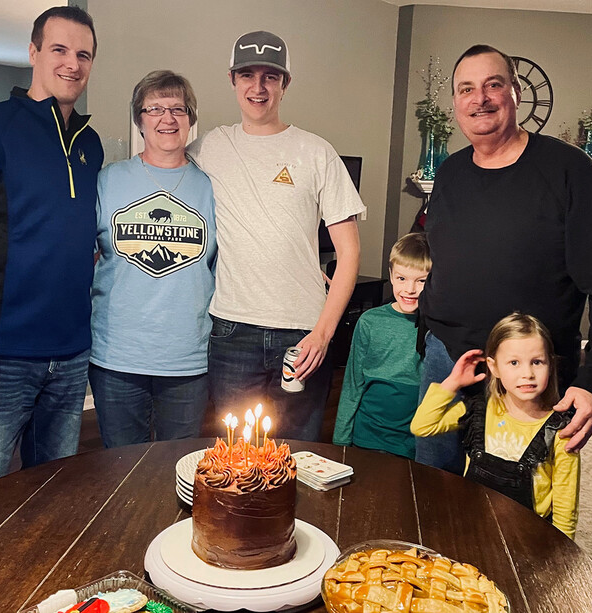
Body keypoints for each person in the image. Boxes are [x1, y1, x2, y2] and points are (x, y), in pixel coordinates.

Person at [415, 44, 592, 471]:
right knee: (434, 495)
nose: (479, 98)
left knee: (518, 514)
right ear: (456, 103)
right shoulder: (450, 172)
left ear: (515, 93)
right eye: (466, 89)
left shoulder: (569, 171)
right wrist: (424, 330)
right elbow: (440, 258)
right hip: (447, 363)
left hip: (530, 373)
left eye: (492, 85)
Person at [0, 6, 102, 499]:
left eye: (84, 54)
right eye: (59, 50)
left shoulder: (90, 145)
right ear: (33, 52)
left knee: (53, 493)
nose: (72, 63)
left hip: (71, 357)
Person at [187, 30, 366, 441]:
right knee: (234, 453)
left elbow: (350, 252)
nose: (258, 86)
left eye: (270, 76)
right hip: (232, 330)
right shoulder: (210, 147)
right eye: (247, 74)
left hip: (302, 331)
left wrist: (323, 333)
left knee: (296, 452)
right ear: (232, 79)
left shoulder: (317, 152)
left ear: (285, 84)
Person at [89, 70, 216, 447]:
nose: (168, 118)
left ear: (190, 120)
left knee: (180, 465)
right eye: (155, 108)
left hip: (187, 357)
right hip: (117, 357)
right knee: (121, 468)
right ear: (139, 119)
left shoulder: (211, 186)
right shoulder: (108, 180)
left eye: (178, 108)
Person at [411, 313, 580, 539]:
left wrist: (562, 552)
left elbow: (565, 506)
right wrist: (452, 383)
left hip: (529, 536)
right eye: (514, 363)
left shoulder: (561, 431)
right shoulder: (479, 410)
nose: (527, 374)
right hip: (472, 524)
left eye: (537, 362)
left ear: (550, 364)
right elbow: (422, 426)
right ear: (494, 367)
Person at [333, 233, 428, 459]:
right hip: (367, 437)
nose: (410, 289)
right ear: (391, 276)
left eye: (421, 280)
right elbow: (353, 384)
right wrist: (340, 441)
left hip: (412, 444)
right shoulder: (369, 322)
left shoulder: (435, 328)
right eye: (402, 278)